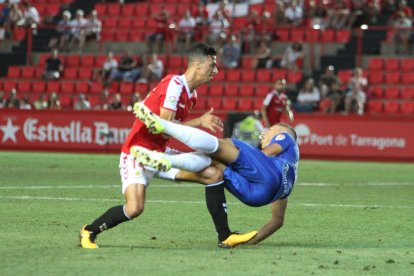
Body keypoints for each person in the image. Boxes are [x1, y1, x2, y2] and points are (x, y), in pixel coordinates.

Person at [79, 43, 254, 249]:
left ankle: (225, 236)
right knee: (134, 208)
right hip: (137, 152)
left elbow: (170, 129)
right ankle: (89, 230)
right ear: (197, 64)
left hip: (161, 154)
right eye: (212, 64)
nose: (215, 70)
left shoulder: (192, 96)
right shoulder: (174, 84)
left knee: (213, 175)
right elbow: (161, 128)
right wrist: (198, 123)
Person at [130, 102, 299, 246]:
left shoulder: (285, 136)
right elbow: (277, 221)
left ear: (279, 133)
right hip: (256, 197)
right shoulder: (289, 175)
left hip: (266, 176)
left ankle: (165, 132)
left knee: (227, 143)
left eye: (269, 131)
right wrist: (251, 242)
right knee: (214, 166)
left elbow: (266, 153)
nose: (263, 134)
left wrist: (241, 153)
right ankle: (160, 164)